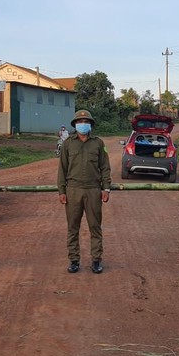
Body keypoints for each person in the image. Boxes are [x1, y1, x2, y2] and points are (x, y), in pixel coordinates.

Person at [57, 109, 110, 274]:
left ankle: (96, 260)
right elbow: (62, 169)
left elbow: (105, 167)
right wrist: (62, 191)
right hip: (73, 190)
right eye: (79, 122)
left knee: (95, 227)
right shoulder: (68, 144)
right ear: (75, 125)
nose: (83, 124)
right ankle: (74, 260)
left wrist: (106, 187)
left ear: (90, 124)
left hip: (93, 190)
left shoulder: (98, 143)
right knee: (73, 227)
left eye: (86, 122)